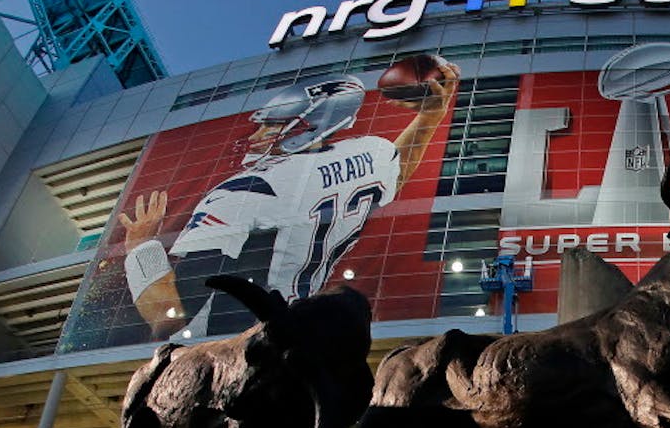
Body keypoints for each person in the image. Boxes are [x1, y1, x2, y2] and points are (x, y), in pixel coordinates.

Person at [119, 64, 460, 339]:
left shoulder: (243, 191)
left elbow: (171, 315)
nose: (255, 137)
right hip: (301, 336)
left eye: (271, 127)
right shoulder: (367, 154)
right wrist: (429, 116)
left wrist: (141, 249)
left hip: (230, 347)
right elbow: (396, 170)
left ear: (308, 128)